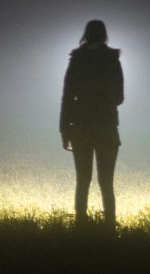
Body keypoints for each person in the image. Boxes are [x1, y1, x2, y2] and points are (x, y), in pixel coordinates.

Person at [60, 18, 124, 229]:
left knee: (82, 181)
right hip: (106, 127)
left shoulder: (76, 60)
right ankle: (110, 228)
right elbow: (120, 98)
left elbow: (67, 97)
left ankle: (80, 228)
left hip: (80, 127)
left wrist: (64, 129)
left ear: (86, 35)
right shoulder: (113, 59)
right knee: (106, 184)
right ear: (104, 35)